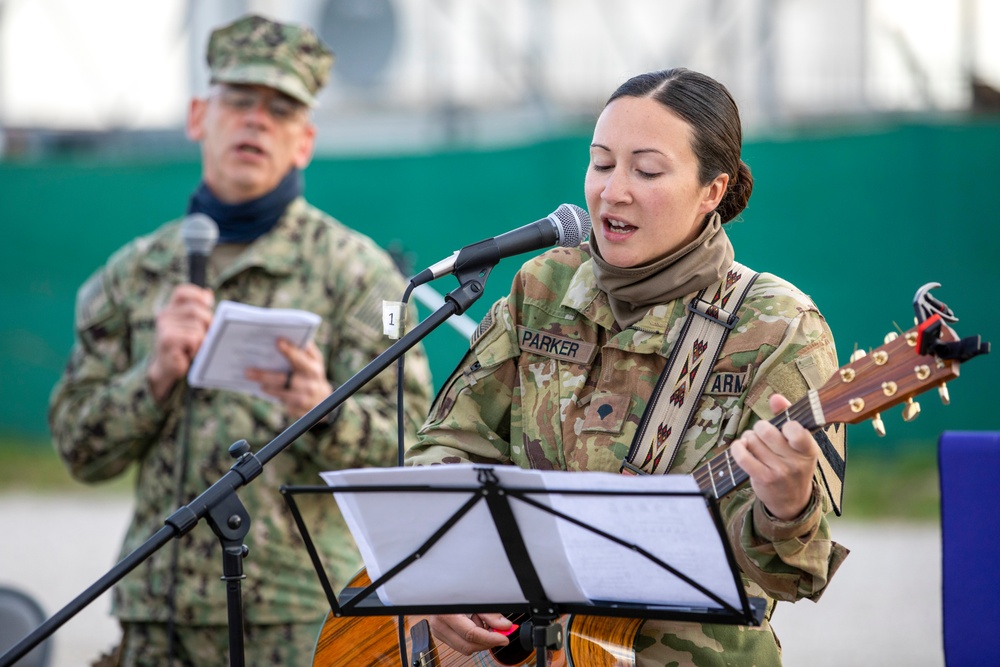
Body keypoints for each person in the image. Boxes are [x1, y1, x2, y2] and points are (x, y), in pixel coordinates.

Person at [406, 67, 847, 666]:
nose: (613, 191)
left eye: (647, 170)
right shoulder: (542, 286)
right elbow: (450, 443)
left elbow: (797, 574)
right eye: (602, 163)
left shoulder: (779, 326)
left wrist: (786, 506)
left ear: (712, 191)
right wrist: (444, 572)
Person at [49, 13, 433, 667]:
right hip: (155, 614)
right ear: (199, 116)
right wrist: (153, 375)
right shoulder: (136, 272)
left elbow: (411, 448)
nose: (256, 120)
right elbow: (79, 449)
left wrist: (321, 407)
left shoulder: (360, 276)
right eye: (239, 100)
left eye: (280, 109)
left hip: (295, 618)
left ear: (304, 140)